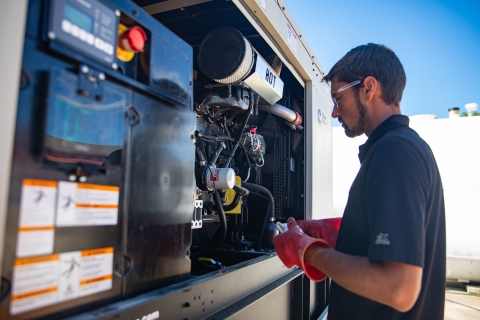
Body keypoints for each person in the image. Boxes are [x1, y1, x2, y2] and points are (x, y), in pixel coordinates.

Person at [274, 43, 446, 320]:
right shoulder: (404, 148)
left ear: (368, 88)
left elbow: (398, 287)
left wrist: (308, 250)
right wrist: (334, 236)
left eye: (338, 99)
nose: (333, 113)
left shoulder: (395, 152)